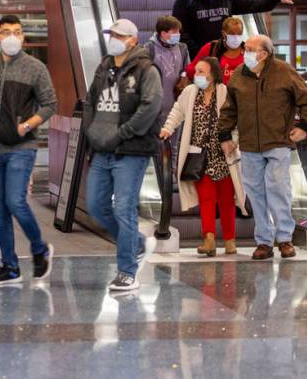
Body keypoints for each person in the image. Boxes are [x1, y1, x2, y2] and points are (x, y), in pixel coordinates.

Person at [0, 14, 58, 285]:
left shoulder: (35, 68)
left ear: (22, 37)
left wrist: (26, 126)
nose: (12, 36)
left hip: (22, 146)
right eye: (6, 31)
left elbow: (49, 104)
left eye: (17, 32)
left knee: (15, 201)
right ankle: (9, 266)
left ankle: (39, 248)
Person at [218, 35, 307, 260]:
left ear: (264, 54)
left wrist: (304, 126)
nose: (246, 52)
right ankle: (263, 241)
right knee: (255, 193)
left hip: (278, 142)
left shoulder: (284, 71)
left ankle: (284, 238)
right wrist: (224, 135)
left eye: (251, 49)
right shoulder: (238, 76)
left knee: (278, 189)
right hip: (250, 144)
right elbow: (228, 110)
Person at [83, 18, 161, 293]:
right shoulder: (104, 67)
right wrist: (91, 131)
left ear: (132, 40)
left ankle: (127, 271)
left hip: (131, 150)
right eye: (111, 34)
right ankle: (138, 243)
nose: (112, 39)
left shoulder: (146, 69)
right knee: (96, 206)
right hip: (101, 149)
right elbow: (91, 101)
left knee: (124, 208)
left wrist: (123, 133)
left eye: (118, 35)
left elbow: (151, 106)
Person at [160, 57, 244, 257]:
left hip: (223, 154)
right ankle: (209, 239)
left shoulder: (225, 92)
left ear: (213, 74)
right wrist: (167, 129)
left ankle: (230, 241)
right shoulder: (189, 92)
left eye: (201, 72)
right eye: (195, 71)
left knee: (226, 199)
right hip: (198, 156)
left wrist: (234, 141)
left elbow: (236, 118)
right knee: (206, 198)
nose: (196, 75)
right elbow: (177, 112)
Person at [143, 15, 190, 127]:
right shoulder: (149, 49)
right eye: (174, 32)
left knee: (173, 141)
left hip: (176, 107)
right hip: (156, 108)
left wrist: (183, 77)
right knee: (157, 141)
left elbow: (187, 70)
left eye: (178, 31)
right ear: (163, 33)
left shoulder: (182, 48)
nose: (178, 35)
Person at [184, 16, 246, 85]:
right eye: (232, 34)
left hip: (242, 92)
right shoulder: (212, 48)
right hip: (217, 91)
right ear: (223, 33)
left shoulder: (248, 49)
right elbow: (190, 70)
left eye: (239, 33)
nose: (236, 37)